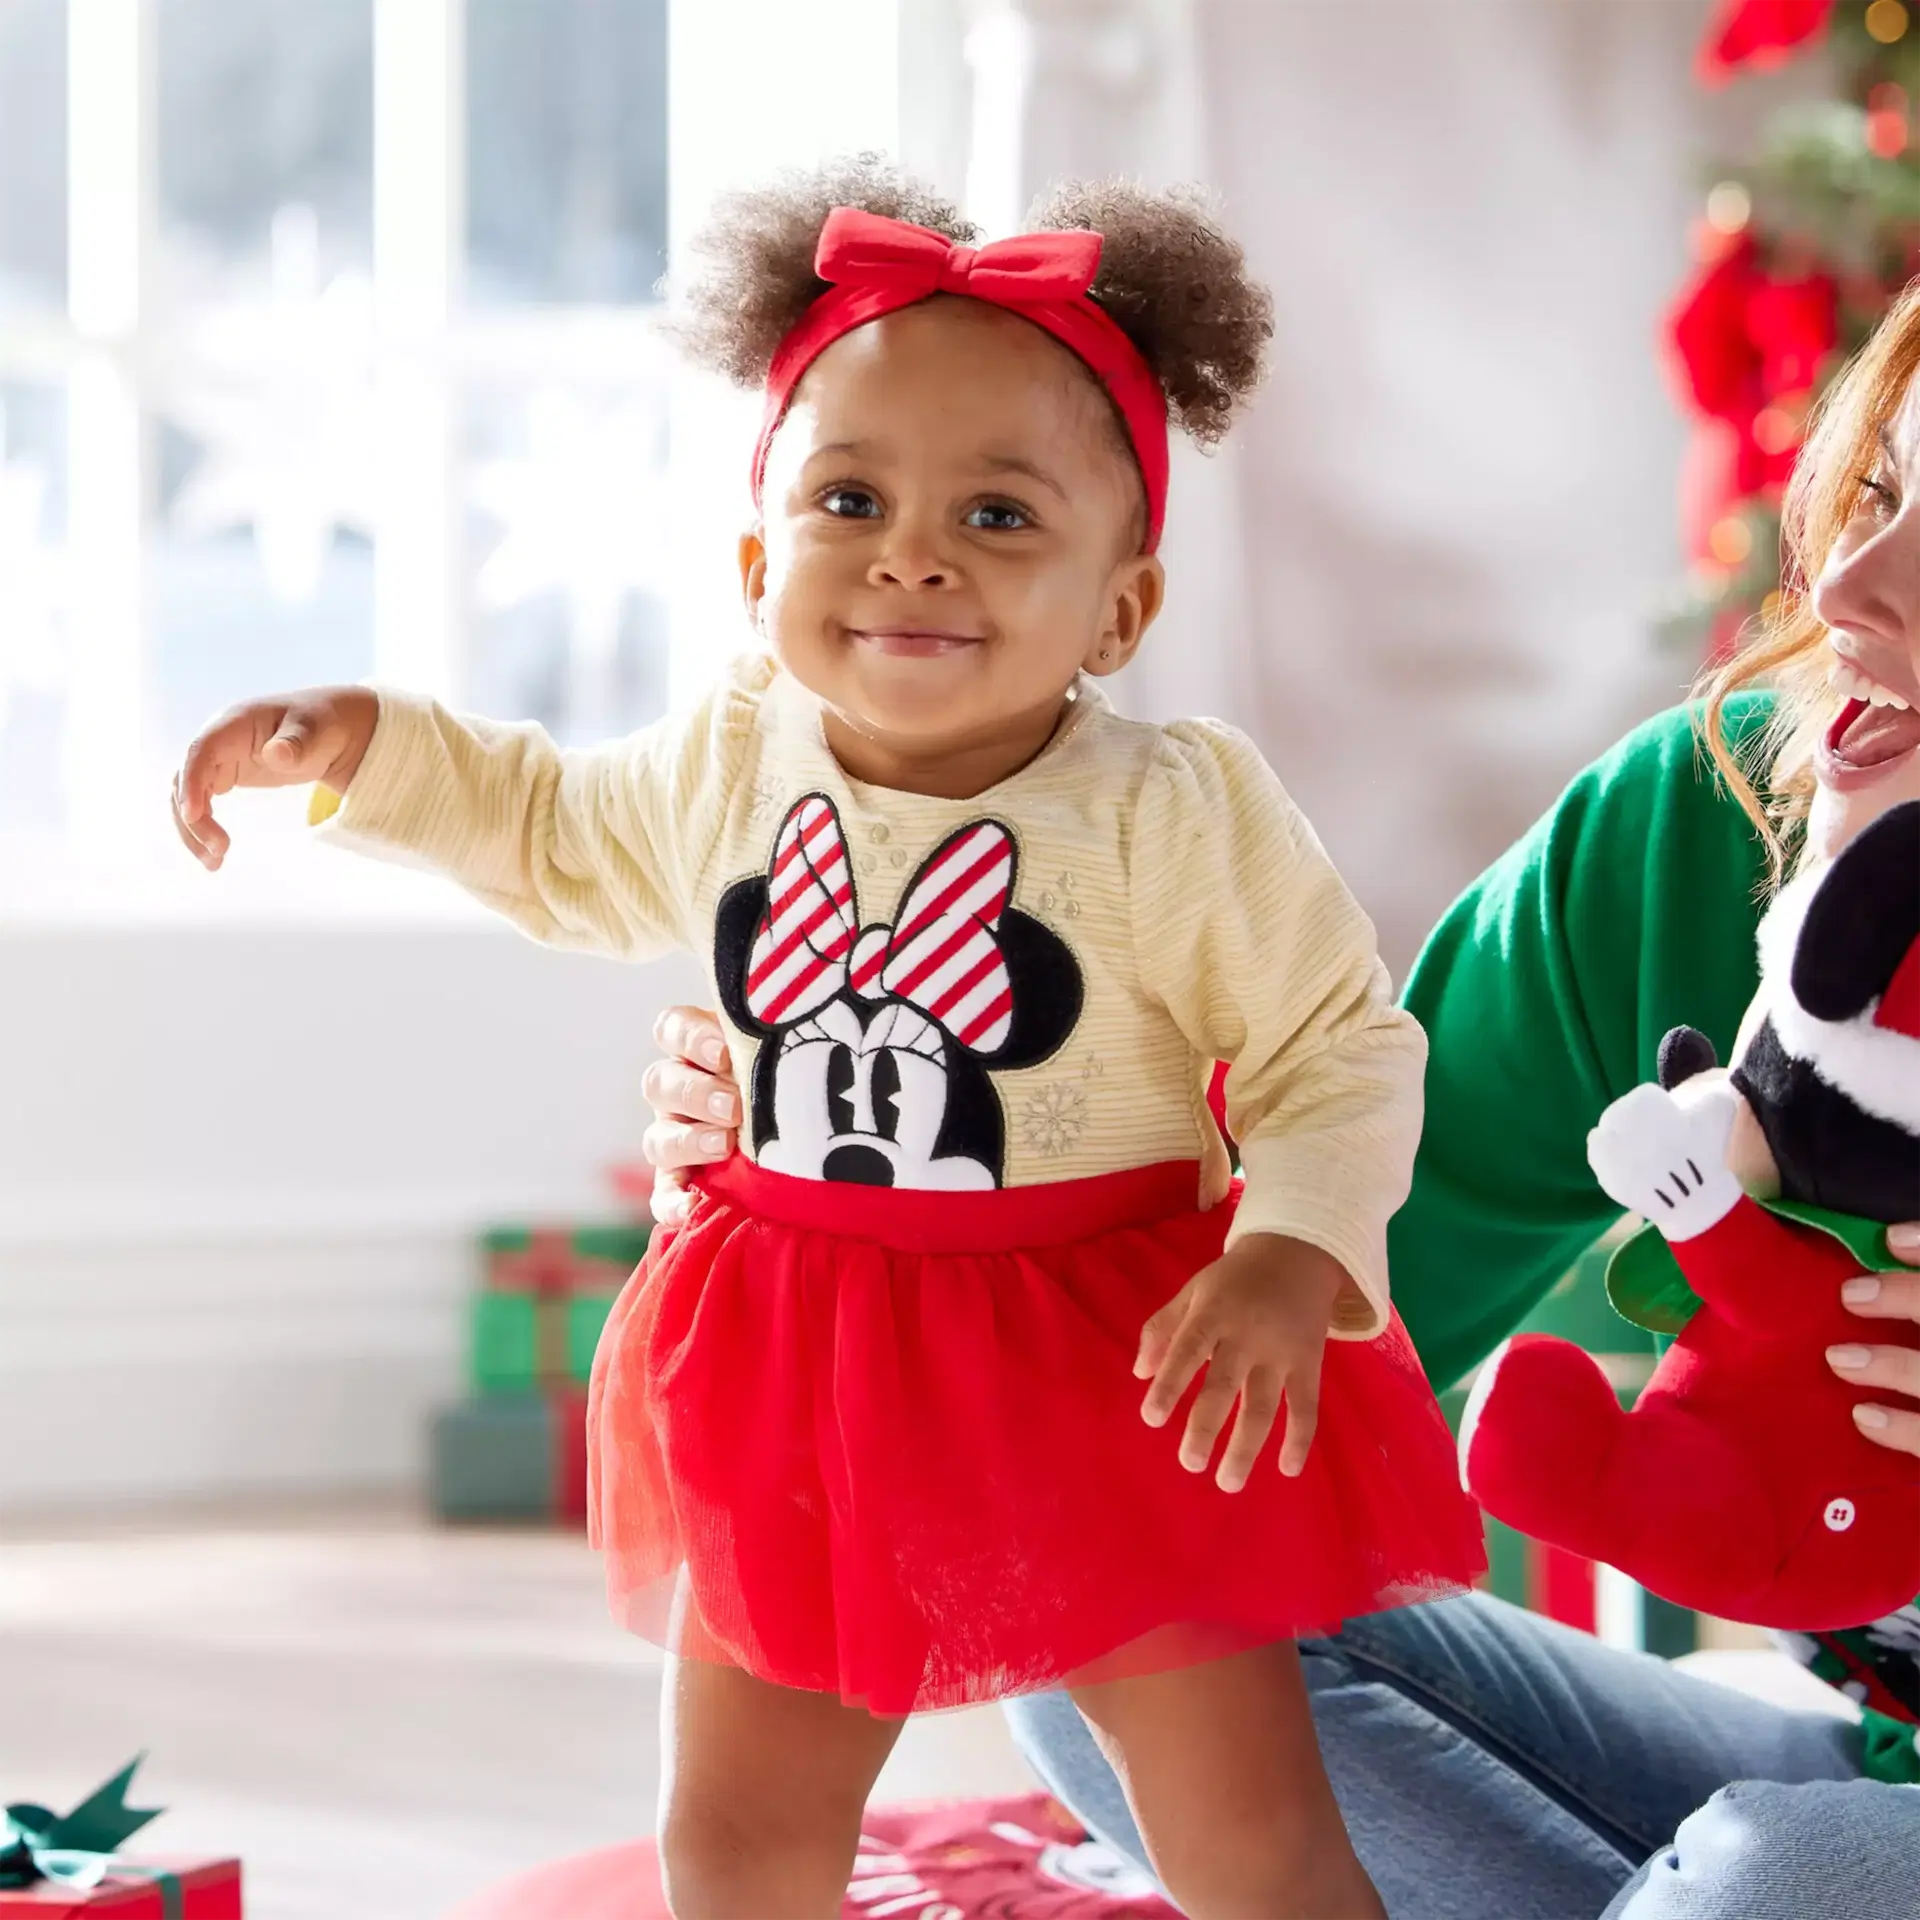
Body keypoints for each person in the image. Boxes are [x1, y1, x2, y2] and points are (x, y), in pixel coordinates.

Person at [168, 161, 1485, 1920]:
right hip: (796, 1358)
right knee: (731, 1835)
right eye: (849, 498)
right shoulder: (734, 752)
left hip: (1106, 1365)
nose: (914, 554)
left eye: (1002, 517)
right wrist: (367, 746)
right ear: (754, 557)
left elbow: (1339, 1042)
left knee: (1241, 1834)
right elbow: (556, 829)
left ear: (1123, 606)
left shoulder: (1173, 812)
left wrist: (1290, 1246)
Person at [638, 279, 1920, 1916]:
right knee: (1127, 1589)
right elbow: (1315, 1286)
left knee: (1771, 1884)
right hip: (1864, 1770)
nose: (1861, 589)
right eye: (1876, 496)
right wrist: (845, 1100)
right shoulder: (1702, 825)